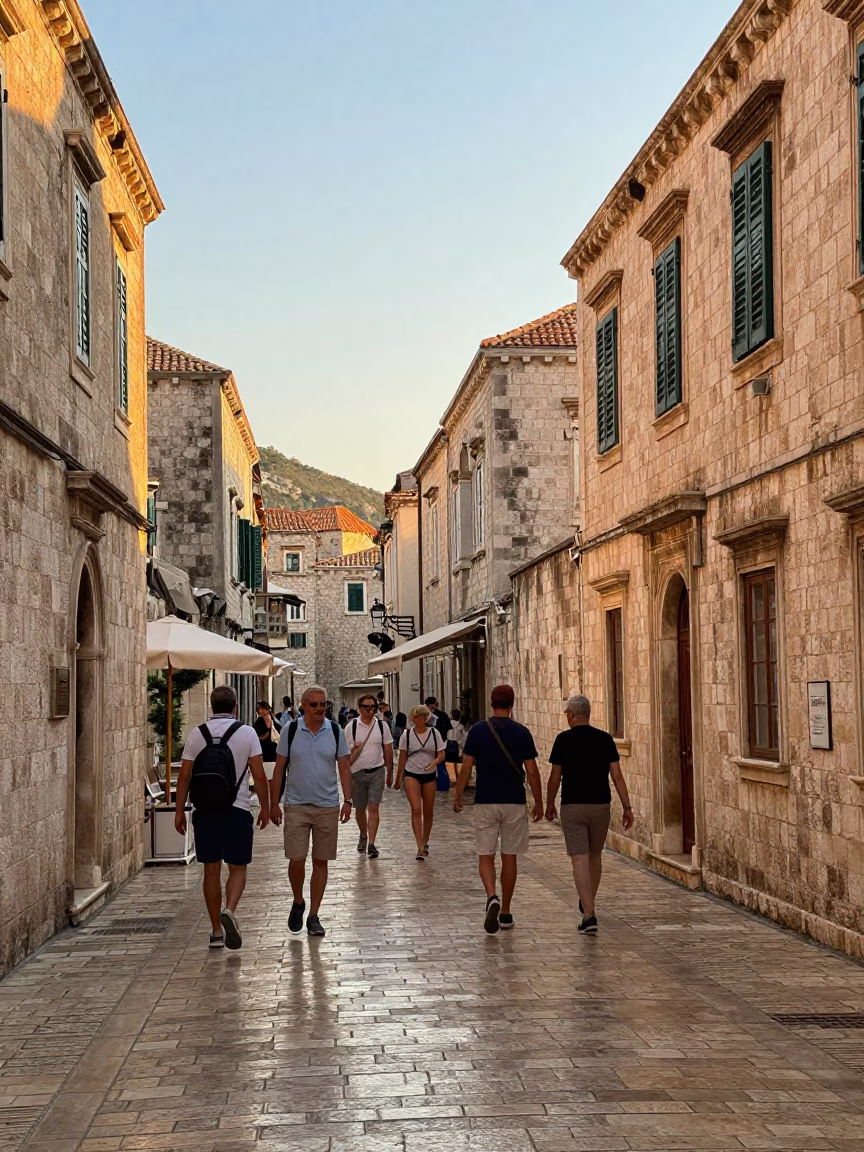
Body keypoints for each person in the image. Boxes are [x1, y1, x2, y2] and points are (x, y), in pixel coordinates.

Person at [174, 684, 270, 951]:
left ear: (211, 706)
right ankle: (230, 909)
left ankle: (216, 929)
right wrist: (266, 806)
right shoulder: (247, 733)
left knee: (211, 869)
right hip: (237, 809)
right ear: (235, 706)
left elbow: (184, 776)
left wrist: (179, 810)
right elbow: (259, 775)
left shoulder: (196, 734)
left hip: (204, 811)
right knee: (238, 867)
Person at [453, 685, 542, 935]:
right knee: (509, 856)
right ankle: (505, 911)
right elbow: (532, 771)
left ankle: (491, 895)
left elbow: (467, 766)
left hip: (485, 801)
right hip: (513, 800)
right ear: (512, 704)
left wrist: (458, 794)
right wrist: (540, 802)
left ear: (492, 703)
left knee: (485, 854)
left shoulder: (479, 731)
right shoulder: (522, 733)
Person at [546, 695, 633, 935]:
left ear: (572, 715)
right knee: (595, 856)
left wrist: (549, 803)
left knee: (579, 858)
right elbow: (616, 776)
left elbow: (555, 777)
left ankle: (589, 913)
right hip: (600, 805)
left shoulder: (563, 740)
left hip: (572, 806)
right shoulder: (605, 739)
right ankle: (588, 905)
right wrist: (627, 807)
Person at [269, 685, 352, 937]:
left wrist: (348, 800)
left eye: (323, 704)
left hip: (327, 805)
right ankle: (298, 900)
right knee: (296, 858)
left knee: (321, 860)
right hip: (296, 804)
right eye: (314, 704)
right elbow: (279, 768)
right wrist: (274, 803)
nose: (319, 709)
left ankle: (314, 914)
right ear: (303, 705)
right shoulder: (291, 730)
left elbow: (345, 768)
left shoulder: (336, 731)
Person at [344, 694, 394, 858]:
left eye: (374, 707)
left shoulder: (382, 726)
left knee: (373, 806)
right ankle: (363, 834)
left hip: (376, 771)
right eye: (367, 707)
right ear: (360, 708)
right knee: (359, 809)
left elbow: (388, 750)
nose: (371, 710)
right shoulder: (351, 727)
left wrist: (390, 773)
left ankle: (372, 843)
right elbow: (345, 754)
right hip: (357, 773)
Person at [394, 704, 445, 861]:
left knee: (428, 811)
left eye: (419, 716)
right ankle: (419, 846)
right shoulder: (406, 735)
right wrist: (398, 779)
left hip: (429, 774)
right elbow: (402, 757)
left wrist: (436, 762)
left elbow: (441, 753)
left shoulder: (434, 733)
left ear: (425, 718)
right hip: (411, 774)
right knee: (416, 809)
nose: (415, 719)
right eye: (414, 716)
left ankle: (425, 840)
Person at [253, 700, 281, 775]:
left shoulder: (260, 721)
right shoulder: (273, 720)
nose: (258, 710)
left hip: (263, 755)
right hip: (274, 754)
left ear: (263, 709)